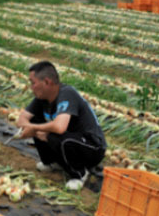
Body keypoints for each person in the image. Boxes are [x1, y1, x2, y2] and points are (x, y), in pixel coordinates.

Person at [17, 61, 107, 190]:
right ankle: (53, 163)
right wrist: (32, 128)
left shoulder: (67, 93)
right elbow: (21, 119)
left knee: (60, 137)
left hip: (92, 147)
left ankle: (80, 174)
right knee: (40, 126)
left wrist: (34, 129)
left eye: (33, 83)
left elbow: (60, 127)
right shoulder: (42, 98)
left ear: (47, 82)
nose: (31, 87)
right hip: (72, 140)